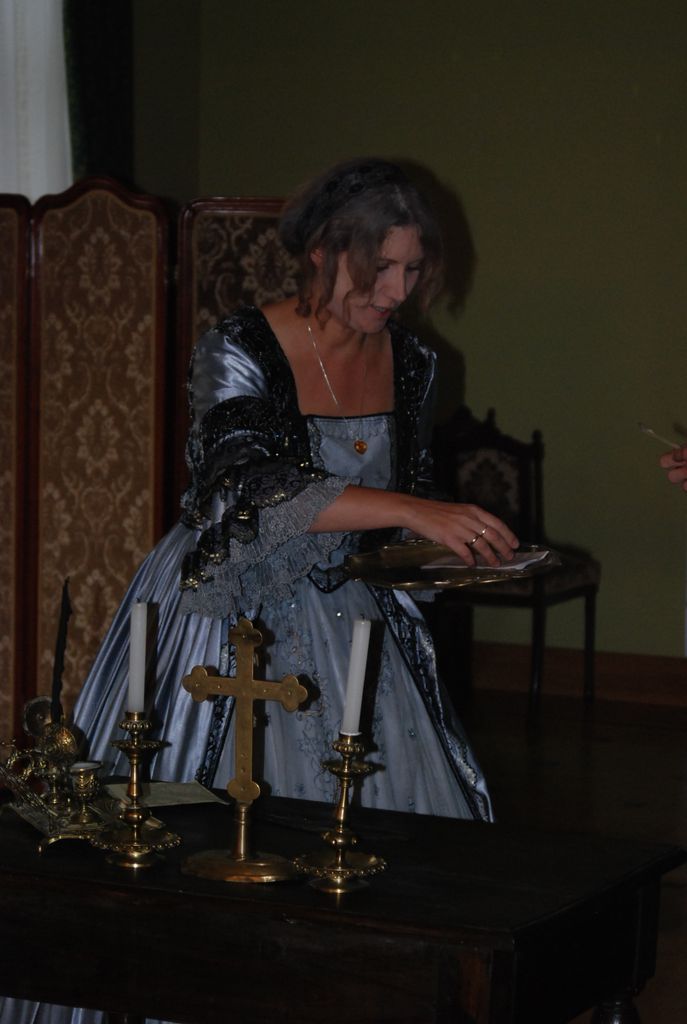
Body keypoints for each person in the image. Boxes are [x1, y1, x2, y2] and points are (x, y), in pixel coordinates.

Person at [0, 159, 518, 1024]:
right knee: (192, 840)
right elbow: (240, 486)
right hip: (222, 609)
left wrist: (461, 552)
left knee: (372, 847)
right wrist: (412, 510)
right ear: (321, 252)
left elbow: (398, 517)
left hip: (352, 617)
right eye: (377, 268)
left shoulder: (415, 360)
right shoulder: (240, 346)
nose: (397, 291)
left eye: (411, 268)